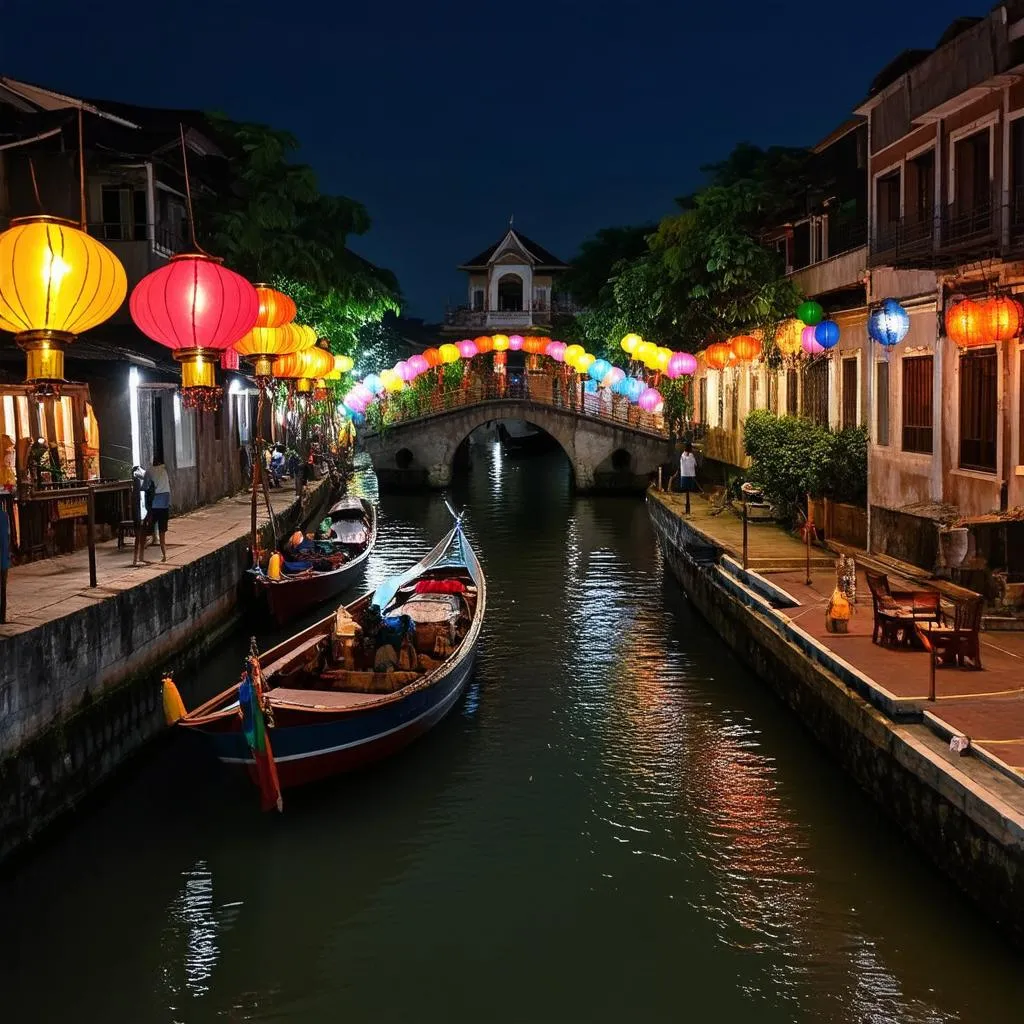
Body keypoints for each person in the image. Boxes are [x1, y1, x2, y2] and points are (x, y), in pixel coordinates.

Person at [134, 458, 170, 565]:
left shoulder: (149, 471)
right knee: (162, 531)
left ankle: (141, 556)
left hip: (154, 504)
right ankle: (164, 556)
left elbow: (145, 486)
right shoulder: (164, 470)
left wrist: (140, 487)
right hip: (165, 503)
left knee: (145, 529)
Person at [677, 441, 697, 515]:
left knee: (686, 492)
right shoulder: (690, 456)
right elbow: (695, 464)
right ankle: (687, 510)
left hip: (685, 475)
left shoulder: (683, 456)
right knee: (688, 492)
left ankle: (687, 510)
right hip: (690, 475)